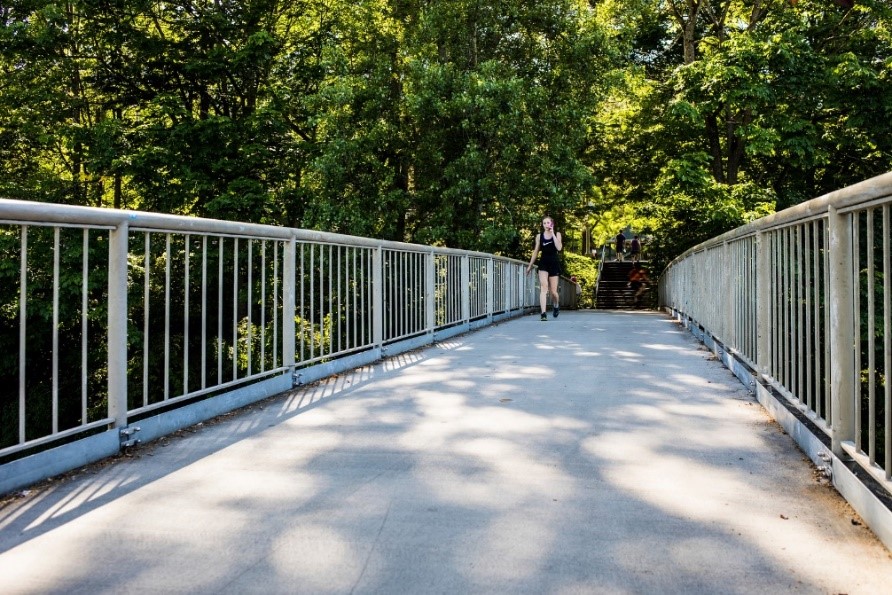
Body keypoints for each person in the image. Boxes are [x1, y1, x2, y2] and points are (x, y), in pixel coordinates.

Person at [526, 216, 563, 321]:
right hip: (543, 264)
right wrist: (529, 266)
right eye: (544, 223)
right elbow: (535, 252)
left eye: (548, 223)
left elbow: (559, 248)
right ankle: (543, 313)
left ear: (552, 223)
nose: (546, 225)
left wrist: (553, 233)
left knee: (554, 292)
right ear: (542, 225)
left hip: (554, 263)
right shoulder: (539, 236)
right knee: (544, 287)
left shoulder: (557, 234)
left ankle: (556, 305)